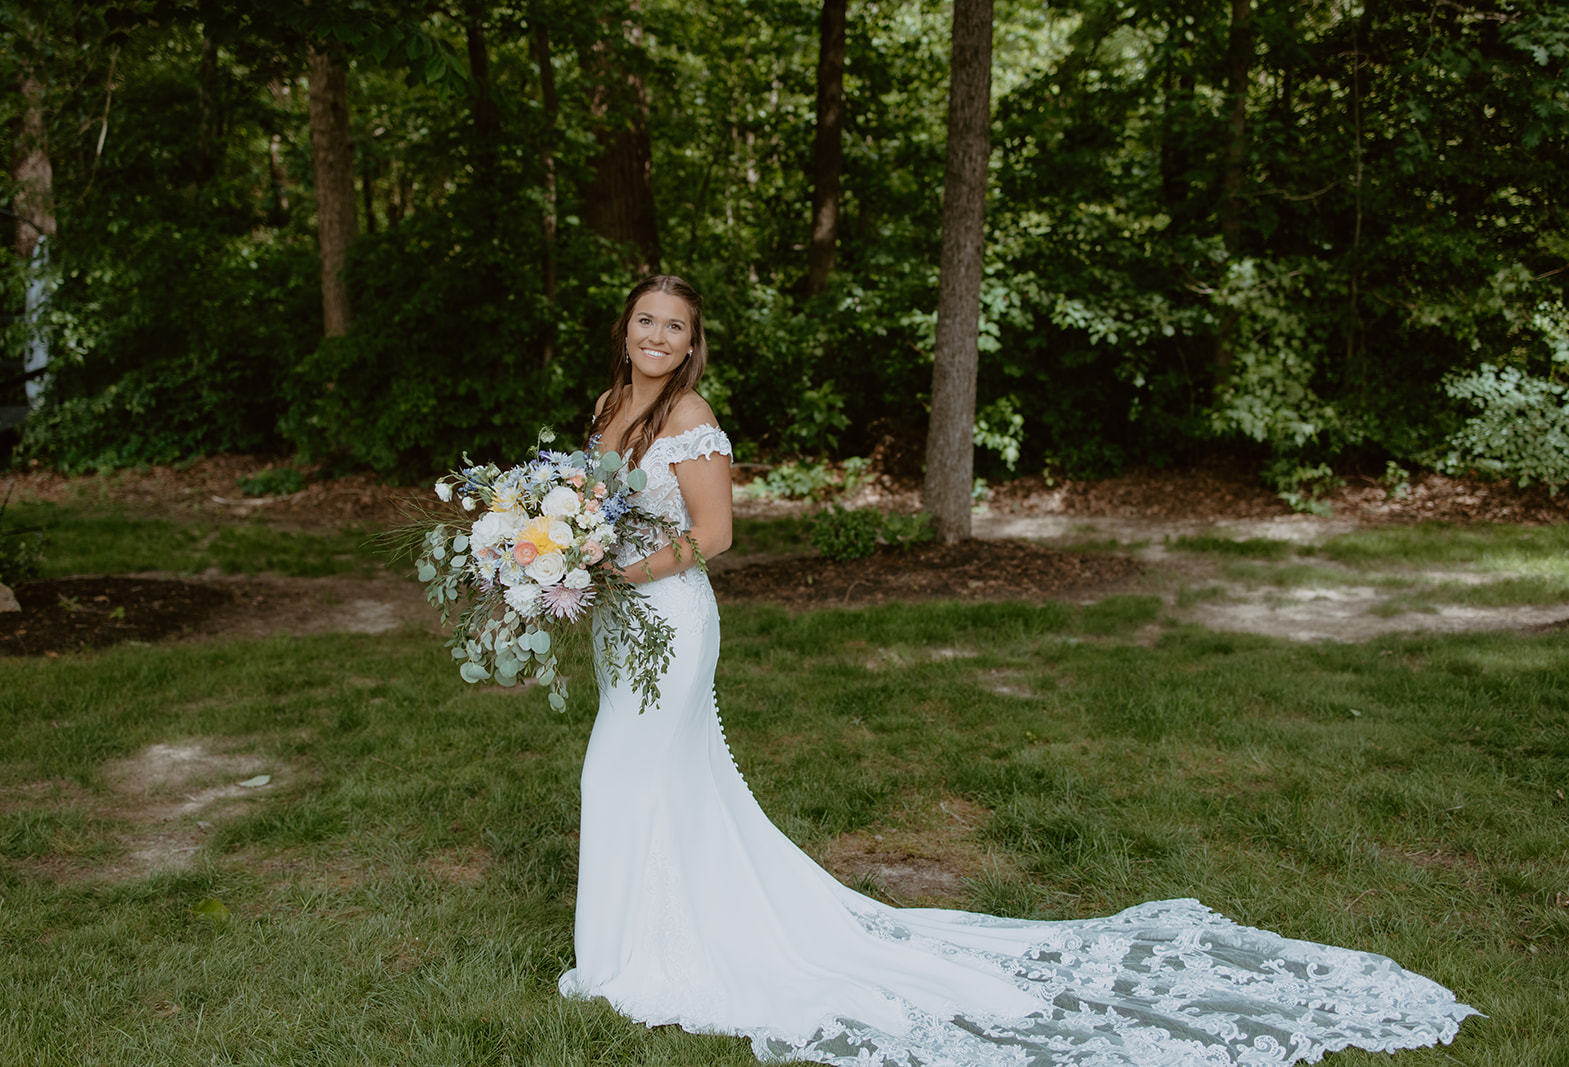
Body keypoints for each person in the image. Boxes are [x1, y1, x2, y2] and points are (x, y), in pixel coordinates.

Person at [559, 274, 1478, 1065]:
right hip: (619, 623)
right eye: (645, 320)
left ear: (692, 343)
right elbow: (593, 509)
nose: (656, 336)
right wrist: (559, 553)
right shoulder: (608, 407)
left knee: (619, 772)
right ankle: (649, 937)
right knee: (659, 781)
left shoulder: (692, 419)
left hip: (669, 619)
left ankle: (631, 959)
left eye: (674, 326)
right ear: (624, 327)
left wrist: (618, 571)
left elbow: (715, 534)